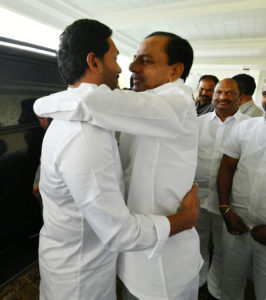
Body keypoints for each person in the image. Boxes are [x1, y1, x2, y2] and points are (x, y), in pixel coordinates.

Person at [34, 19, 200, 300]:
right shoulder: (132, 109)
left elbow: (92, 101)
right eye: (125, 58)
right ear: (94, 62)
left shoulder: (176, 103)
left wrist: (42, 104)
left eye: (145, 60)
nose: (130, 67)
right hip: (124, 257)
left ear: (175, 70)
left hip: (163, 268)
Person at [194, 78, 249, 299]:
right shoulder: (198, 122)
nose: (222, 97)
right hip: (198, 196)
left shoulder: (248, 125)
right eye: (218, 92)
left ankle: (216, 289)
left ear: (240, 97)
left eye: (229, 93)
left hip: (227, 200)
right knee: (197, 242)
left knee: (223, 247)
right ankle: (198, 281)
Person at [217, 80, 266, 300]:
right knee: (231, 281)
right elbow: (226, 168)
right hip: (238, 223)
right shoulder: (247, 127)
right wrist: (226, 209)